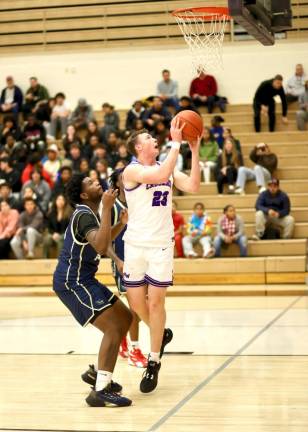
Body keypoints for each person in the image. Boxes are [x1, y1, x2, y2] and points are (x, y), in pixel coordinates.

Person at [122, 119, 200, 393]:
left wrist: (195, 148)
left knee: (155, 304)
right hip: (134, 245)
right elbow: (158, 175)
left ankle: (153, 361)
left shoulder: (168, 169)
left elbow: (192, 186)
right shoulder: (132, 170)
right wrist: (176, 143)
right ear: (138, 147)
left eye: (156, 138)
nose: (155, 140)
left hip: (161, 246)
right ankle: (160, 333)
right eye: (149, 138)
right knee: (137, 305)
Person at [53, 173, 132, 407]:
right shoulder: (83, 214)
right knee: (113, 327)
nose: (96, 180)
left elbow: (103, 243)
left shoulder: (90, 214)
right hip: (73, 282)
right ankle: (100, 390)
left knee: (126, 318)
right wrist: (108, 209)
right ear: (84, 194)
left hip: (85, 278)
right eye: (89, 182)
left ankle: (97, 372)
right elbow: (99, 245)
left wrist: (121, 224)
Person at [109, 168, 148, 368]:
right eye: (124, 178)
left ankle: (125, 337)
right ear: (117, 184)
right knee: (135, 308)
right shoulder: (112, 206)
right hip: (124, 261)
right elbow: (104, 239)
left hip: (142, 259)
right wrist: (117, 261)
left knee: (141, 308)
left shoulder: (138, 200)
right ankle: (135, 350)